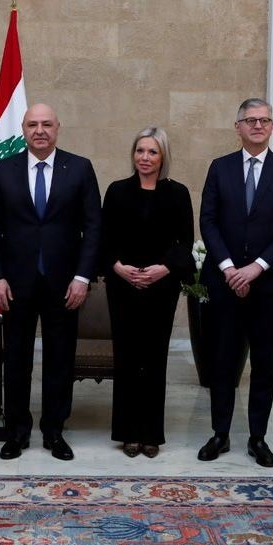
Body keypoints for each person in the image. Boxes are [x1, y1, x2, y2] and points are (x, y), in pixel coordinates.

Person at [0, 103, 102, 461]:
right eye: (33, 124)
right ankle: (17, 431)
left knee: (60, 359)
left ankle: (54, 431)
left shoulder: (79, 168)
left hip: (64, 284)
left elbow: (93, 227)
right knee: (16, 359)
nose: (40, 130)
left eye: (46, 124)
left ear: (57, 127)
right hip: (15, 284)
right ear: (23, 129)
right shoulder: (4, 170)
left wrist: (82, 277)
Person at [197, 99, 273, 468]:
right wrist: (230, 268)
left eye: (264, 120)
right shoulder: (220, 168)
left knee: (263, 362)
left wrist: (256, 268)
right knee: (222, 361)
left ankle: (258, 437)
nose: (258, 125)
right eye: (250, 120)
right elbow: (208, 220)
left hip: (267, 285)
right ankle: (220, 433)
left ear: (272, 127)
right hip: (224, 282)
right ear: (238, 126)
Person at [100, 127, 194, 459]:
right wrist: (118, 268)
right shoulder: (117, 191)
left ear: (163, 156)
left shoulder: (178, 193)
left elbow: (185, 241)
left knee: (154, 359)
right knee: (126, 358)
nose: (145, 157)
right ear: (133, 154)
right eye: (140, 150)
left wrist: (164, 269)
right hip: (122, 286)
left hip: (161, 288)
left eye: (152, 151)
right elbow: (104, 238)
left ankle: (151, 433)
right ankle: (128, 432)